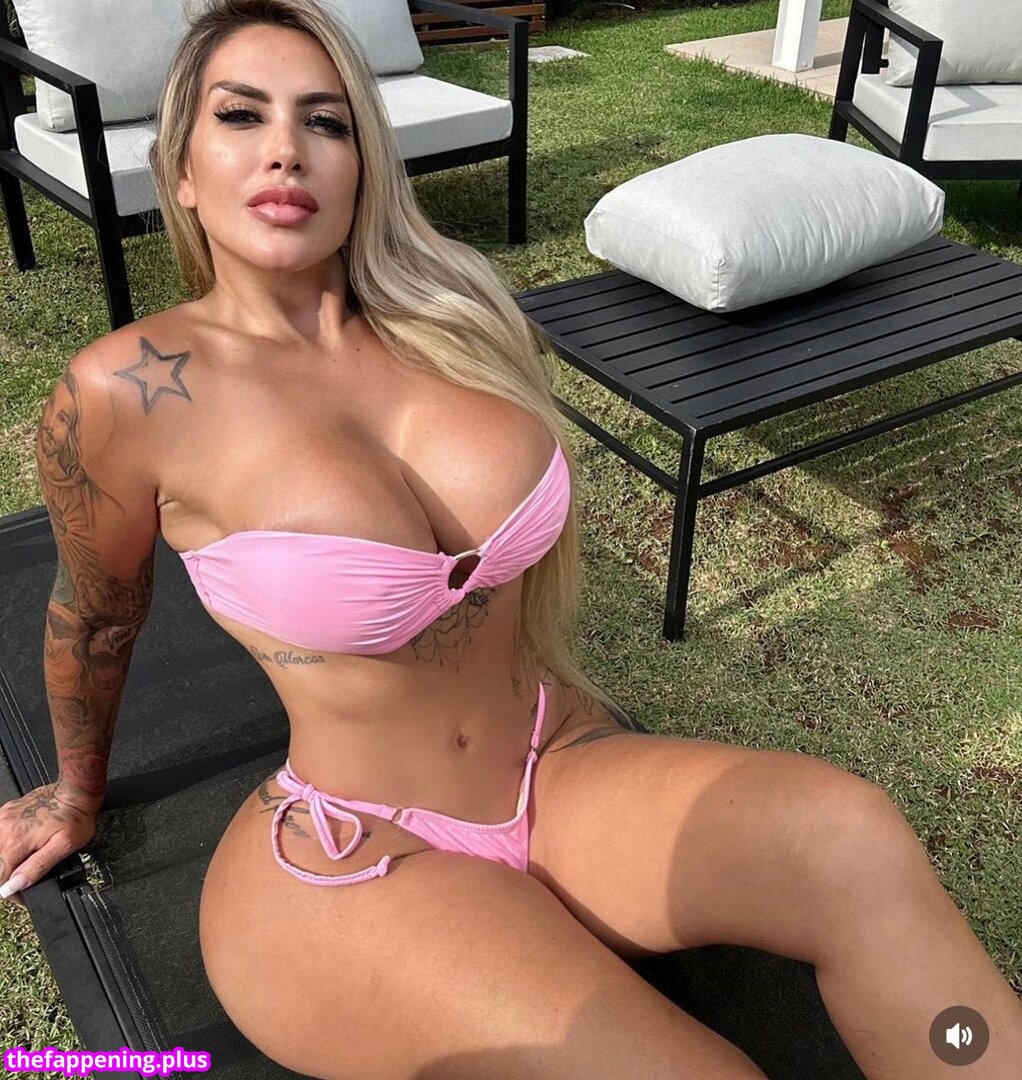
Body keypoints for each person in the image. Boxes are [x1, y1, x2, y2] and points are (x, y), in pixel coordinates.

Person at [1, 1, 1020, 1076]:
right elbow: (97, 615)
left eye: (326, 121)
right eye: (241, 116)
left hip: (556, 765)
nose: (286, 150)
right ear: (182, 168)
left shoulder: (455, 315)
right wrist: (76, 792)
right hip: (358, 844)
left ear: (364, 162)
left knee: (847, 835)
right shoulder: (123, 393)